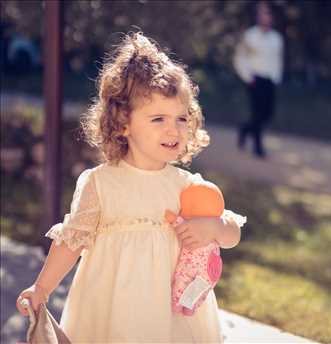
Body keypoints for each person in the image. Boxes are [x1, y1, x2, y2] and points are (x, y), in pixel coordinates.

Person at [15, 32, 246, 343]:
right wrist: (41, 288)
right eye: (158, 118)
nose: (173, 128)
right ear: (123, 123)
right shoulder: (100, 183)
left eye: (181, 118)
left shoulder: (187, 187)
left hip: (170, 317)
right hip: (112, 308)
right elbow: (71, 241)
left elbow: (232, 234)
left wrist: (215, 227)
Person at [234, 1, 284, 158]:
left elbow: (278, 59)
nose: (266, 17)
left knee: (267, 114)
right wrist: (247, 77)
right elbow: (240, 57)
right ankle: (258, 147)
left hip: (270, 80)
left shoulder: (276, 38)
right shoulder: (250, 36)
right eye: (263, 14)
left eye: (268, 14)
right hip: (255, 79)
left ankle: (245, 130)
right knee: (256, 113)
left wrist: (277, 78)